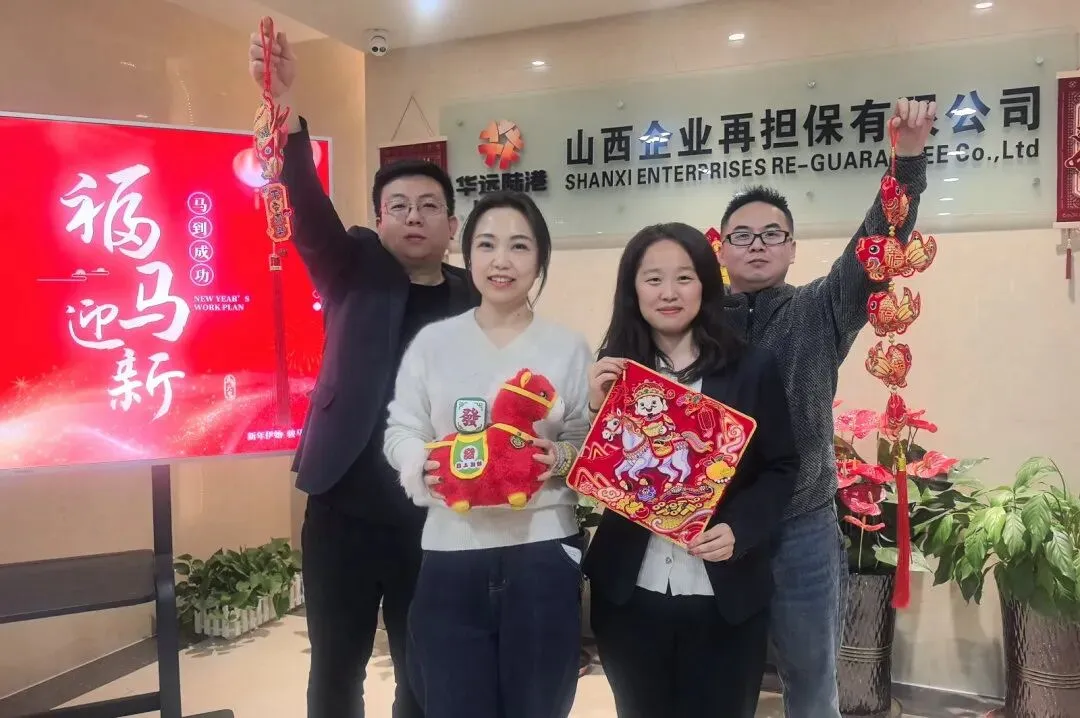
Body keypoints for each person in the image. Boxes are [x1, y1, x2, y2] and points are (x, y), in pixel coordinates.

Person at [248, 24, 478, 718]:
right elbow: (307, 208)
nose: (414, 217)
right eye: (398, 207)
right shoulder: (351, 267)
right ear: (379, 220)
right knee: (335, 669)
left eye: (429, 206)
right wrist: (285, 109)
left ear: (452, 224)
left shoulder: (476, 298)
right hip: (342, 509)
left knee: (422, 667)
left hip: (431, 516)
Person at [716, 98, 937, 718]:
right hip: (716, 526)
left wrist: (908, 160)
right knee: (719, 684)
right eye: (741, 236)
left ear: (792, 248)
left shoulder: (820, 310)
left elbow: (878, 245)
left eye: (772, 235)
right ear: (722, 249)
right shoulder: (696, 322)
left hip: (801, 527)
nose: (757, 245)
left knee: (812, 685)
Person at [383, 190, 593, 718]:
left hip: (542, 551)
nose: (502, 260)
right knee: (453, 703)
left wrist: (559, 457)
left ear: (540, 259)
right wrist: (420, 464)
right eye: (487, 244)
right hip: (450, 551)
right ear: (467, 253)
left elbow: (582, 439)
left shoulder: (568, 347)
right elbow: (402, 427)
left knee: (539, 705)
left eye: (519, 246)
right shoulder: (433, 343)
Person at [583, 222, 800, 718]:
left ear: (706, 284)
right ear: (632, 289)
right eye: (653, 278)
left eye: (684, 277)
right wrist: (597, 409)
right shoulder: (615, 371)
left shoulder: (752, 367)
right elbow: (597, 470)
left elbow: (781, 465)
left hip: (724, 594)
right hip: (629, 594)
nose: (669, 292)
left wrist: (739, 529)